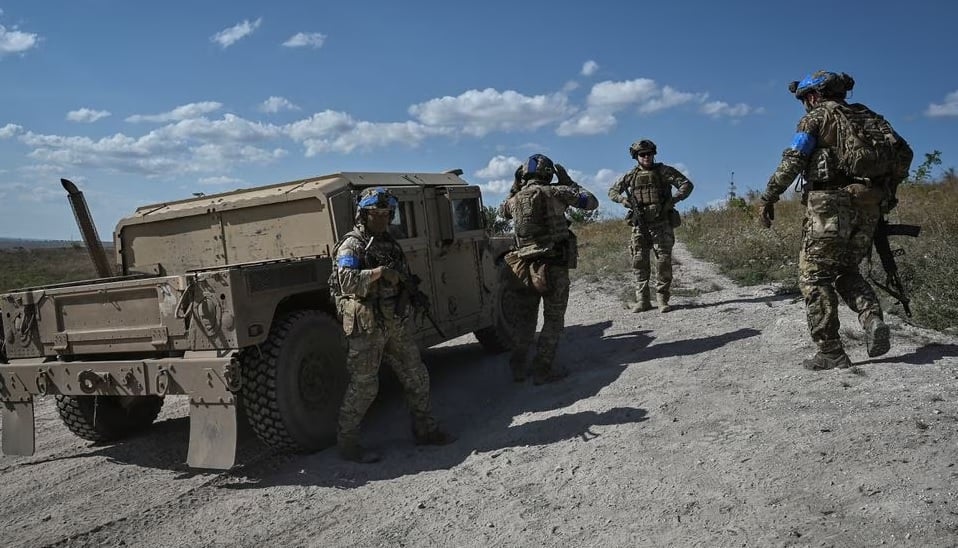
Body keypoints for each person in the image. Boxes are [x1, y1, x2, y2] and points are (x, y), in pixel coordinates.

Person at [758, 70, 911, 371]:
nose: (805, 105)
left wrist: (768, 197)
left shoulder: (815, 118)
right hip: (869, 205)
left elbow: (793, 161)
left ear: (814, 95)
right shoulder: (871, 116)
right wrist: (885, 192)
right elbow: (905, 154)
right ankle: (872, 318)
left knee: (814, 276)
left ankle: (830, 351)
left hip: (829, 205)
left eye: (805, 99)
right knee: (845, 269)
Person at [330, 187, 454, 463]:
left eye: (388, 214)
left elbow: (404, 278)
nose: (384, 219)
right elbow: (346, 282)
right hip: (366, 325)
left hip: (393, 321)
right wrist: (380, 273)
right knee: (364, 386)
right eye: (378, 214)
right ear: (364, 214)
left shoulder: (390, 244)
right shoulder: (352, 245)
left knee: (417, 375)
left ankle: (425, 429)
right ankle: (348, 444)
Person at [500, 154, 598, 384]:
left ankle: (518, 367)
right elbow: (591, 202)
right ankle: (543, 369)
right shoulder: (557, 192)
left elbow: (501, 211)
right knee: (553, 319)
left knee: (526, 320)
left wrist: (515, 186)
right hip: (553, 265)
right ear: (548, 174)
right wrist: (569, 182)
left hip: (524, 267)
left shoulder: (515, 200)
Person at [608, 139, 694, 313]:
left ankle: (662, 299)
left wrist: (673, 201)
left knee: (663, 262)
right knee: (639, 262)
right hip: (640, 225)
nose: (646, 157)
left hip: (661, 223)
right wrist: (624, 200)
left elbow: (686, 185)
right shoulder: (630, 175)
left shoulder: (664, 171)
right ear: (636, 157)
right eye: (642, 154)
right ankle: (643, 300)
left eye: (649, 153)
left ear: (654, 154)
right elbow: (612, 192)